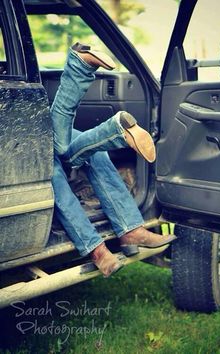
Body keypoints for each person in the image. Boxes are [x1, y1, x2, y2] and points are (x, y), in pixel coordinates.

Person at [51, 42, 176, 278]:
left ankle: (130, 229)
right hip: (14, 137)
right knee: (52, 167)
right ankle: (96, 249)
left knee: (79, 148)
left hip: (23, 115)